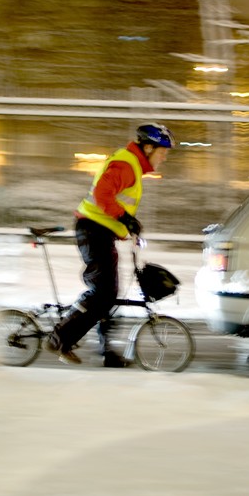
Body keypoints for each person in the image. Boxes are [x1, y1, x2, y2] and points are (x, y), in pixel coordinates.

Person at [45, 123, 175, 367]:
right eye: (162, 150)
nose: (165, 156)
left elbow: (114, 201)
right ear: (148, 147)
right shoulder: (127, 164)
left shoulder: (132, 165)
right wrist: (125, 218)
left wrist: (129, 225)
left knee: (109, 294)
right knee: (103, 293)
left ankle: (107, 353)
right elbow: (103, 194)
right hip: (93, 230)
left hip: (101, 232)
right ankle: (60, 338)